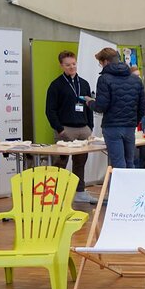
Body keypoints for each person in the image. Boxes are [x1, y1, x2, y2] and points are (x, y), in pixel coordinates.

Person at [45, 50, 97, 204]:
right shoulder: (56, 85)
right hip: (65, 129)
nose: (71, 67)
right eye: (68, 65)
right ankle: (54, 194)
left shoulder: (84, 83)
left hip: (83, 129)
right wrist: (59, 129)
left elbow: (89, 106)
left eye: (73, 64)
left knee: (80, 162)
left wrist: (90, 127)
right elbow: (50, 110)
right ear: (61, 65)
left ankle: (80, 192)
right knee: (60, 162)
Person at [87, 47, 145, 169]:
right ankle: (131, 188)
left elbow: (101, 106)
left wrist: (90, 103)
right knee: (130, 161)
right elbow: (142, 106)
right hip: (130, 126)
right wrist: (134, 122)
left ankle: (117, 188)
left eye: (100, 63)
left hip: (112, 127)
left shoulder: (104, 79)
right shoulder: (135, 79)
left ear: (106, 61)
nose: (101, 66)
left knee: (118, 163)